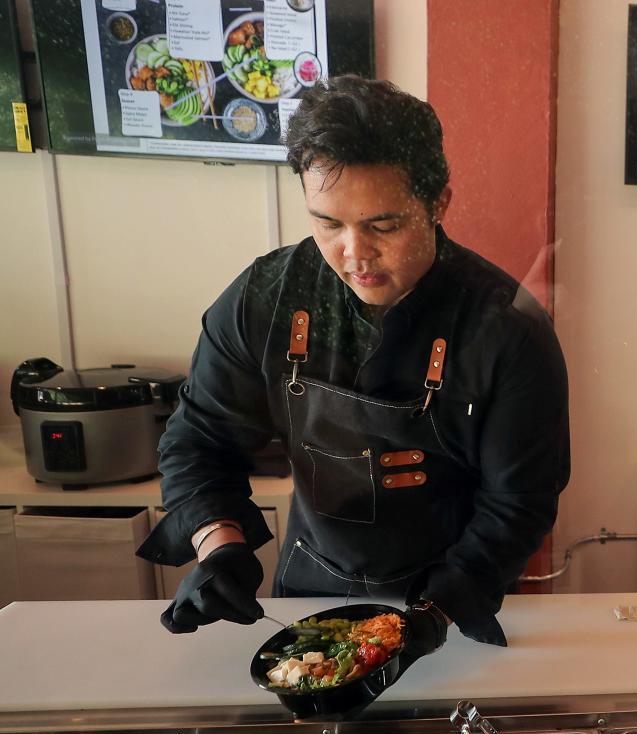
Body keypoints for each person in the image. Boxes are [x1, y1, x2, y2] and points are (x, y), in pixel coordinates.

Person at [138, 76, 570, 647]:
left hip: (453, 596)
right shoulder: (265, 300)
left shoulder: (506, 329)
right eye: (327, 223)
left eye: (382, 225)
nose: (354, 253)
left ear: (438, 202)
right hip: (308, 587)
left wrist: (442, 604)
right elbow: (198, 441)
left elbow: (520, 499)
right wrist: (218, 545)